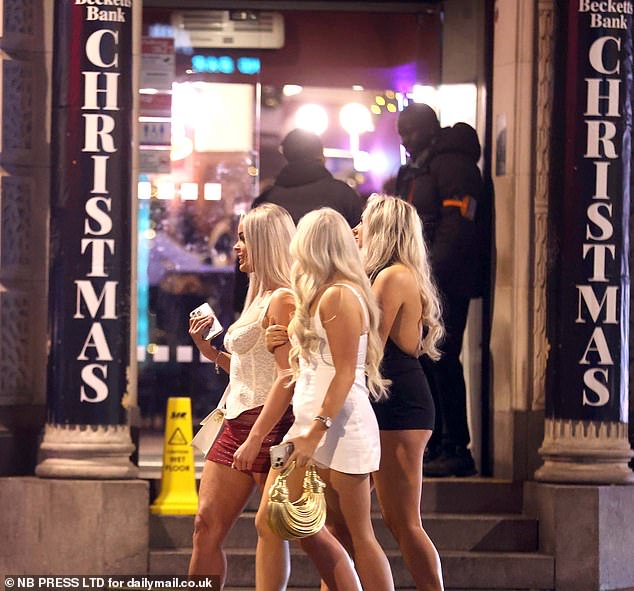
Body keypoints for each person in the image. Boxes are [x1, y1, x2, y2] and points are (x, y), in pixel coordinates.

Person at [267, 196, 446, 590]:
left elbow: (367, 351)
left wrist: (305, 341)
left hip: (395, 402)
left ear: (382, 229)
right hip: (370, 397)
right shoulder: (367, 280)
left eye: (363, 221)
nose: (355, 229)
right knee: (338, 523)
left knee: (401, 521)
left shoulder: (389, 277)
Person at [234, 208, 394, 591]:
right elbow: (302, 371)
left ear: (316, 246)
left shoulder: (339, 296)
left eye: (301, 241)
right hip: (310, 426)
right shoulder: (324, 294)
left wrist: (315, 431)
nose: (294, 251)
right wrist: (282, 345)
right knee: (277, 517)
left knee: (356, 534)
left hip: (339, 428)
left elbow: (343, 373)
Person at [187, 203, 297, 588]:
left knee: (276, 530)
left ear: (265, 244)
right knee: (204, 526)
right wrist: (209, 351)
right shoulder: (257, 296)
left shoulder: (283, 298)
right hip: (233, 420)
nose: (236, 247)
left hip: (272, 427)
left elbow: (287, 378)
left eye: (244, 238)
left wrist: (256, 439)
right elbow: (249, 366)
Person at [396, 102, 483, 477]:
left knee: (442, 358)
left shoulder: (452, 166)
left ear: (430, 130)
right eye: (401, 134)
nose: (405, 141)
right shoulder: (422, 168)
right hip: (426, 279)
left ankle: (455, 447)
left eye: (410, 132)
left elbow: (457, 228)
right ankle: (436, 445)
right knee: (427, 360)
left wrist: (429, 275)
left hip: (445, 281)